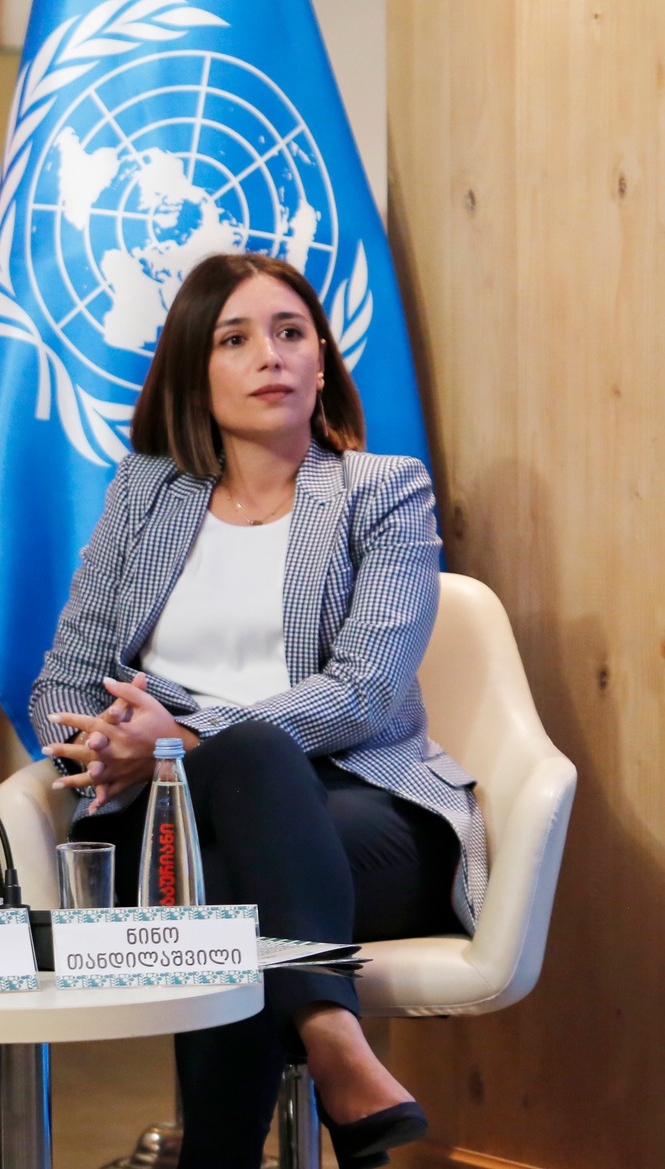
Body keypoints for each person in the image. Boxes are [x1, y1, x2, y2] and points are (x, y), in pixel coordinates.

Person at [31, 252, 486, 1169]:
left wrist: (186, 739)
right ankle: (332, 1038)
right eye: (234, 339)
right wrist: (107, 747)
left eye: (289, 332)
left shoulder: (381, 490)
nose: (270, 355)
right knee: (227, 861)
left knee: (246, 771)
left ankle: (239, 1136)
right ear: (193, 369)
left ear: (321, 359)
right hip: (164, 826)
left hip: (360, 811)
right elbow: (64, 682)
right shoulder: (144, 492)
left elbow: (366, 689)